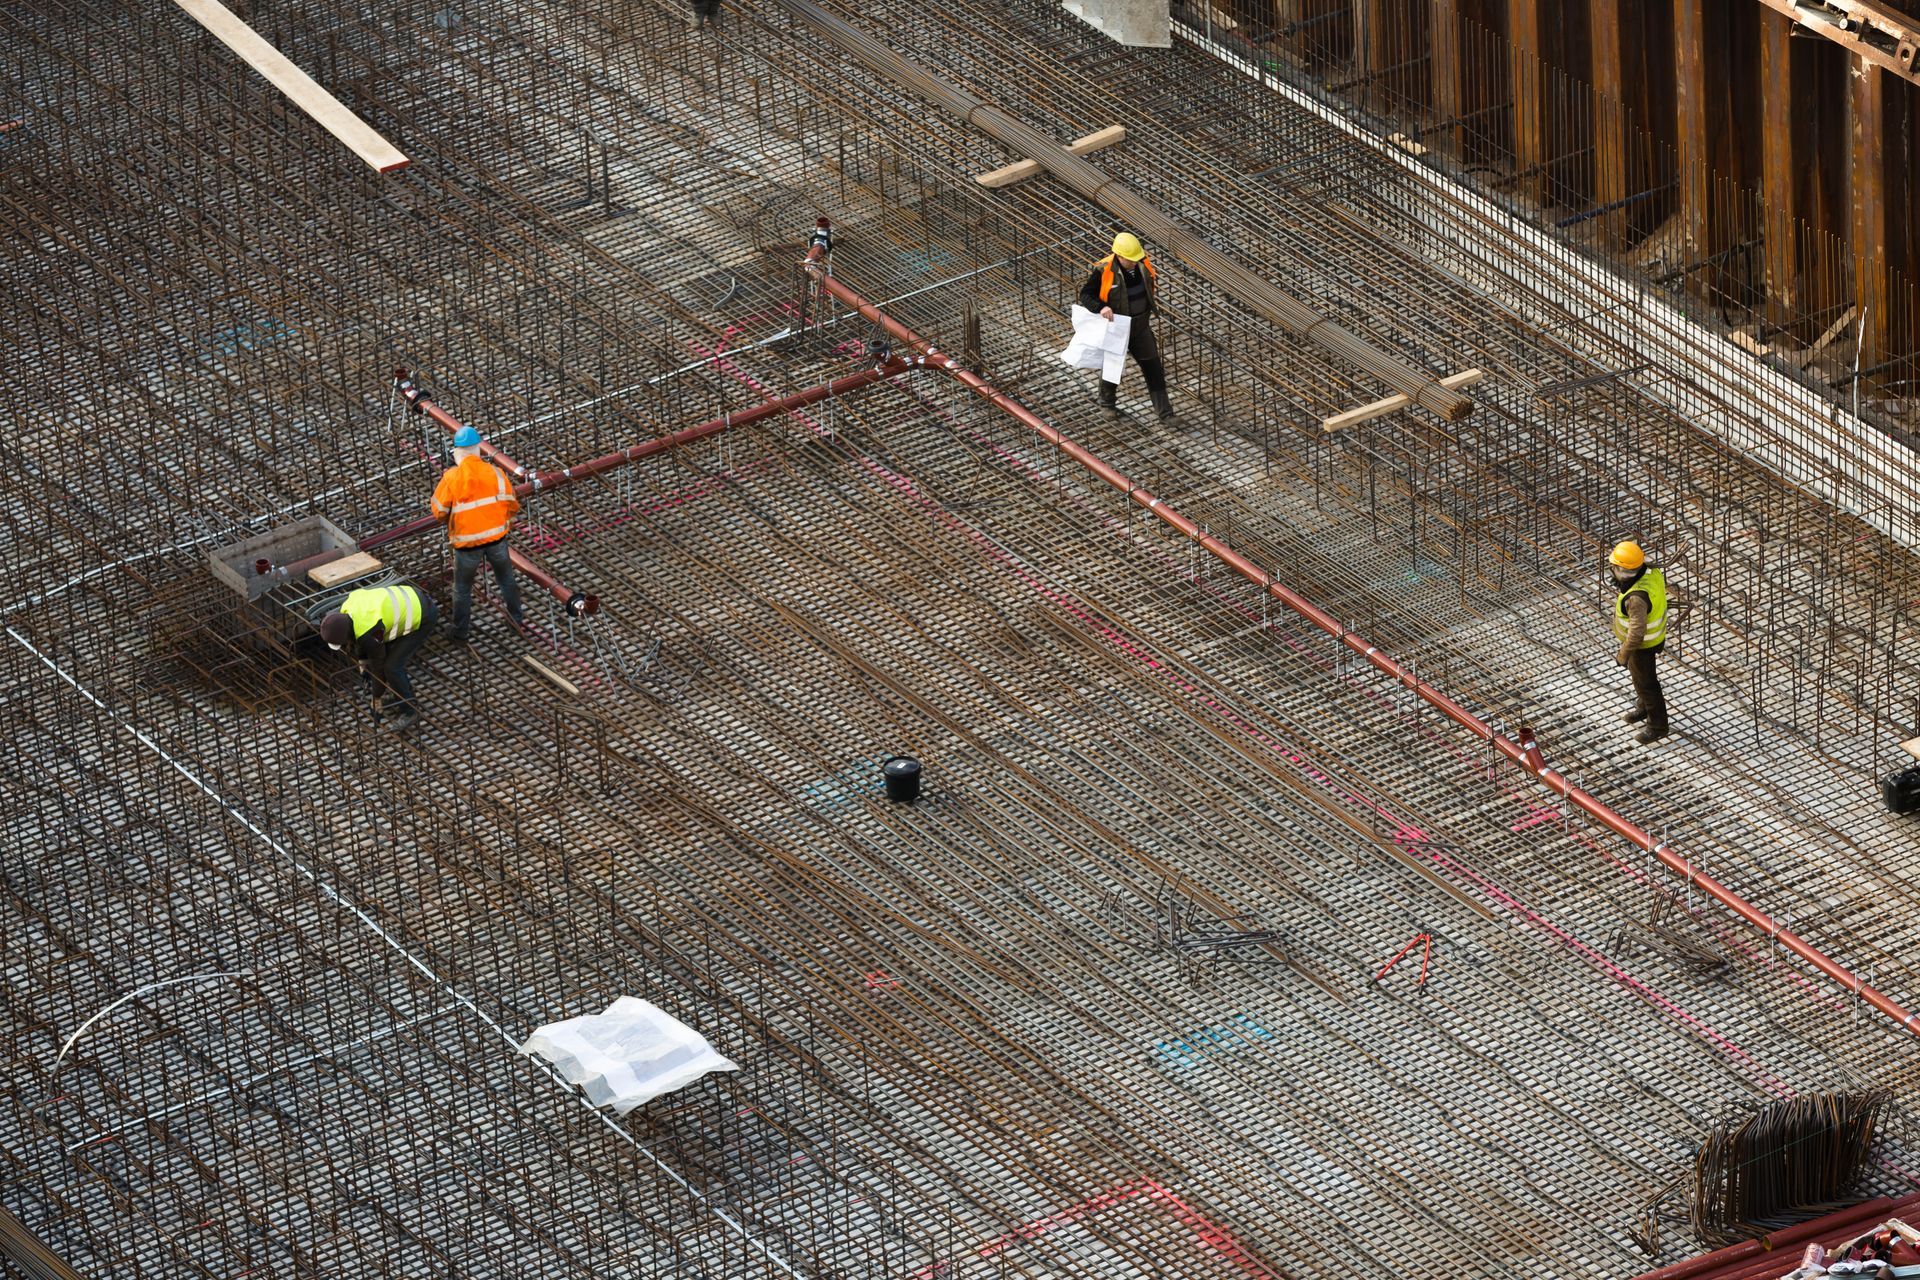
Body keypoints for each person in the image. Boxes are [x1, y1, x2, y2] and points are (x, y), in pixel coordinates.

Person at [431, 424, 525, 643]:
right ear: (478, 451)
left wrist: (455, 520)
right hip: (497, 540)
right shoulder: (495, 472)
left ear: (457, 453)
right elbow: (512, 504)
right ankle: (516, 621)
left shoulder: (452, 478)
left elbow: (439, 511)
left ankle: (460, 632)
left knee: (462, 589)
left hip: (467, 545)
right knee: (507, 581)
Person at [1077, 231, 1175, 422]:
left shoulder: (1142, 264)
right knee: (1113, 369)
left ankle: (1166, 414)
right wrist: (1101, 307)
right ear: (1119, 256)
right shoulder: (1103, 271)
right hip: (1117, 328)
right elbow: (1085, 295)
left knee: (1153, 368)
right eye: (1130, 259)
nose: (1134, 262)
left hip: (1140, 325)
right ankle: (1107, 404)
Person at [319, 581, 437, 733]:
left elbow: (378, 664)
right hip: (411, 596)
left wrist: (377, 696)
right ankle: (399, 693)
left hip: (424, 615)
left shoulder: (368, 630)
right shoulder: (347, 610)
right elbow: (360, 644)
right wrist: (363, 668)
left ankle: (410, 711)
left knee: (392, 667)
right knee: (389, 660)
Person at [1610, 540, 1670, 745]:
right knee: (1640, 680)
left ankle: (1658, 726)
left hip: (1642, 646)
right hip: (1651, 640)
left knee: (1647, 685)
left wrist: (1623, 655)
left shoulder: (1636, 598)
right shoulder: (1651, 573)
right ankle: (1643, 708)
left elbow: (1636, 633)